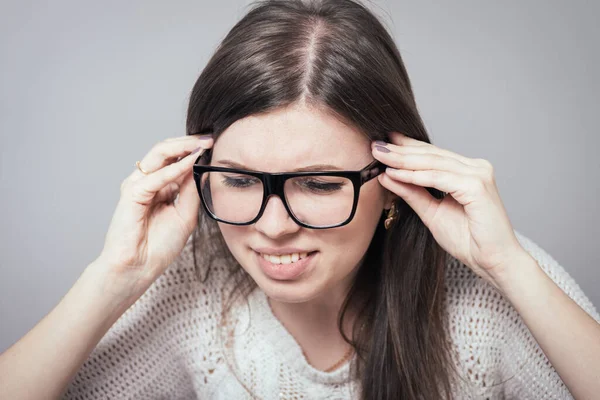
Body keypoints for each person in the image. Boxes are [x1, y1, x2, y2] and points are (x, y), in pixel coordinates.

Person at [1, 0, 599, 399]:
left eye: (318, 184)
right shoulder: (194, 288)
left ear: (394, 177)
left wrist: (510, 267)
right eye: (238, 180)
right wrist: (113, 277)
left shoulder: (490, 292)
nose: (274, 225)